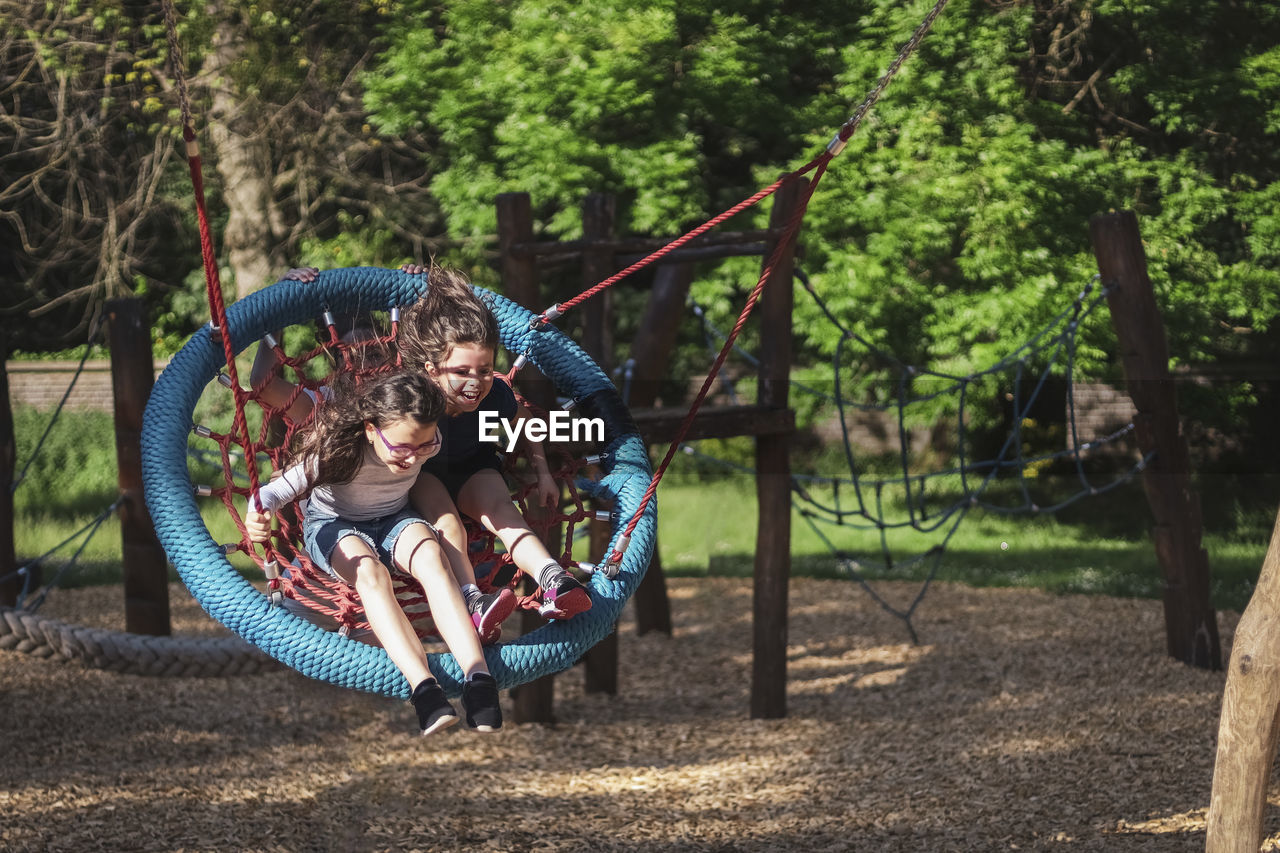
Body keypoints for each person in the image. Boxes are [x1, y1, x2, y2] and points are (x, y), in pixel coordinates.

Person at [249, 270, 518, 643]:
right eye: (352, 355)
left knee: (426, 579)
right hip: (336, 534)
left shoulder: (411, 398)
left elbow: (449, 351)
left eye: (373, 351)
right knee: (279, 628)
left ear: (391, 355)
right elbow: (261, 381)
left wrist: (418, 293)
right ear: (337, 362)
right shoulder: (324, 405)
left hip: (400, 527)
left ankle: (468, 615)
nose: (363, 363)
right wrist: (278, 305)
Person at [244, 368, 502, 736]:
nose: (412, 459)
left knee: (432, 556)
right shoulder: (337, 451)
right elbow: (273, 492)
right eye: (401, 447)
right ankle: (425, 690)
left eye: (424, 446)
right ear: (370, 429)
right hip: (334, 525)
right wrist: (259, 513)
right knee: (371, 574)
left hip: (393, 516)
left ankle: (479, 679)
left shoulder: (430, 438)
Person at [398, 264, 592, 621]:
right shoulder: (413, 397)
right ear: (431, 371)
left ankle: (556, 580)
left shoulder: (494, 396)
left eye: (485, 370)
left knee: (503, 512)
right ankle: (472, 601)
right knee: (447, 520)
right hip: (423, 472)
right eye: (461, 372)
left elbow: (525, 421)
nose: (475, 381)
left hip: (473, 465)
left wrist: (544, 472)